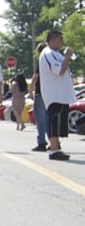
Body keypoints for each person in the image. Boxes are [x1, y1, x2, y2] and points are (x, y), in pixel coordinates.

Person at [38, 29, 75, 161]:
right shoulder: (48, 53)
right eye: (60, 39)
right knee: (54, 120)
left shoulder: (56, 54)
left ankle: (56, 147)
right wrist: (68, 57)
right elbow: (59, 71)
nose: (62, 42)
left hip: (60, 94)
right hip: (54, 94)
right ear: (52, 40)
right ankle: (53, 149)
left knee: (58, 122)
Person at [29, 42, 48, 152]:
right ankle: (54, 142)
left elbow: (35, 77)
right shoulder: (52, 60)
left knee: (40, 120)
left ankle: (41, 142)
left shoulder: (42, 61)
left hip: (40, 94)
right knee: (49, 119)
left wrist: (31, 91)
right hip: (50, 95)